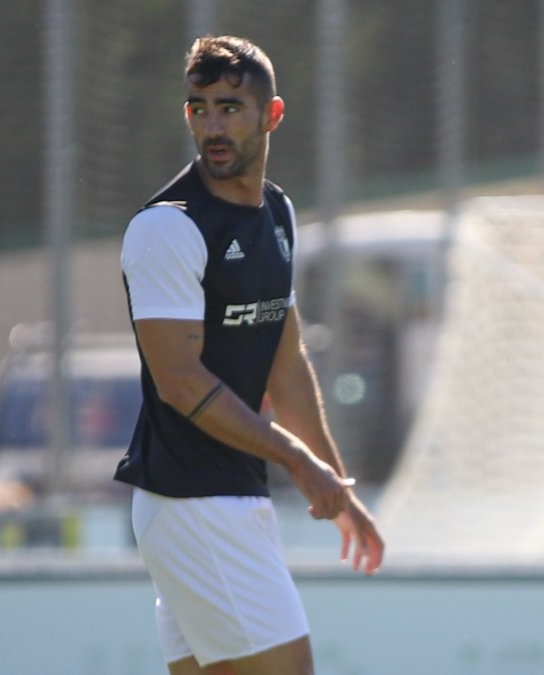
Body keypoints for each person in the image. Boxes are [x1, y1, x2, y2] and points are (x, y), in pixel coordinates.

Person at [115, 36, 385, 675]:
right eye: (199, 107)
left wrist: (335, 483)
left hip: (225, 503)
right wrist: (296, 458)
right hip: (193, 504)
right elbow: (180, 382)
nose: (212, 124)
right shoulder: (166, 227)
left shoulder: (279, 212)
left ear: (272, 114)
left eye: (231, 107)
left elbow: (285, 363)